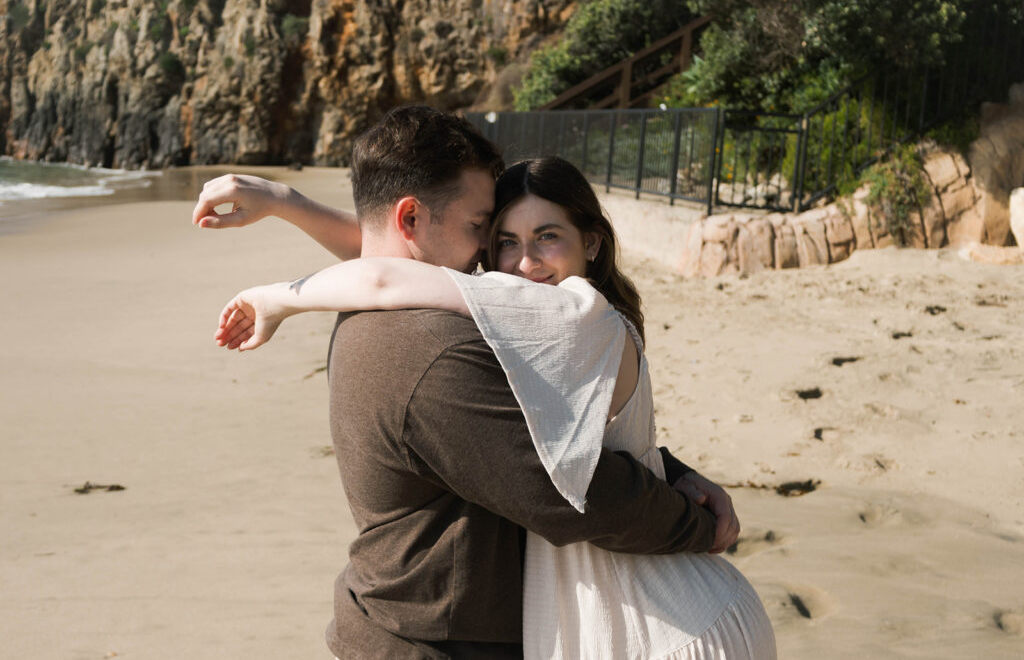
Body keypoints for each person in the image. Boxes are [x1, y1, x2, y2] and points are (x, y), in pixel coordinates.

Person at [193, 106, 752, 658]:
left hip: (423, 622)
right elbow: (570, 492)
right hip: (440, 641)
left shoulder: (444, 311)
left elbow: (384, 259)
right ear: (411, 220)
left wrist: (285, 213)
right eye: (486, 230)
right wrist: (700, 527)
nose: (499, 260)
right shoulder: (434, 347)